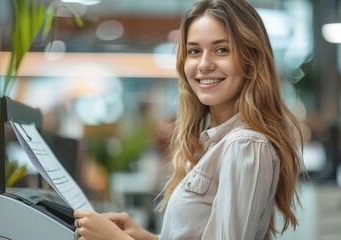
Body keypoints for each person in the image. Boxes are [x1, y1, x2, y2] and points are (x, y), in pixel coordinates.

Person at [73, 0, 304, 239]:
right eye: (194, 51)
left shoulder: (244, 146)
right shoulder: (214, 143)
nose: (204, 64)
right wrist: (143, 236)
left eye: (221, 49)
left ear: (251, 60)